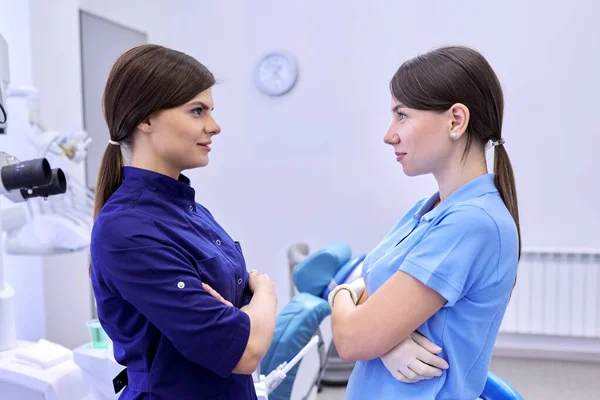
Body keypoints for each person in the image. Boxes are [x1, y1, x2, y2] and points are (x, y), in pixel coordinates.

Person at [328, 45, 520, 399]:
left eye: (402, 115)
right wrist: (383, 339)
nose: (390, 134)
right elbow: (365, 307)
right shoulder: (426, 209)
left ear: (455, 121)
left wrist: (343, 296)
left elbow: (351, 339)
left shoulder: (472, 223)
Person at [89, 44, 278, 399]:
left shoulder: (189, 211)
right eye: (197, 111)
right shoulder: (127, 230)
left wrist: (243, 319)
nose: (215, 126)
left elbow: (236, 329)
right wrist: (265, 296)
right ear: (145, 119)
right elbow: (243, 350)